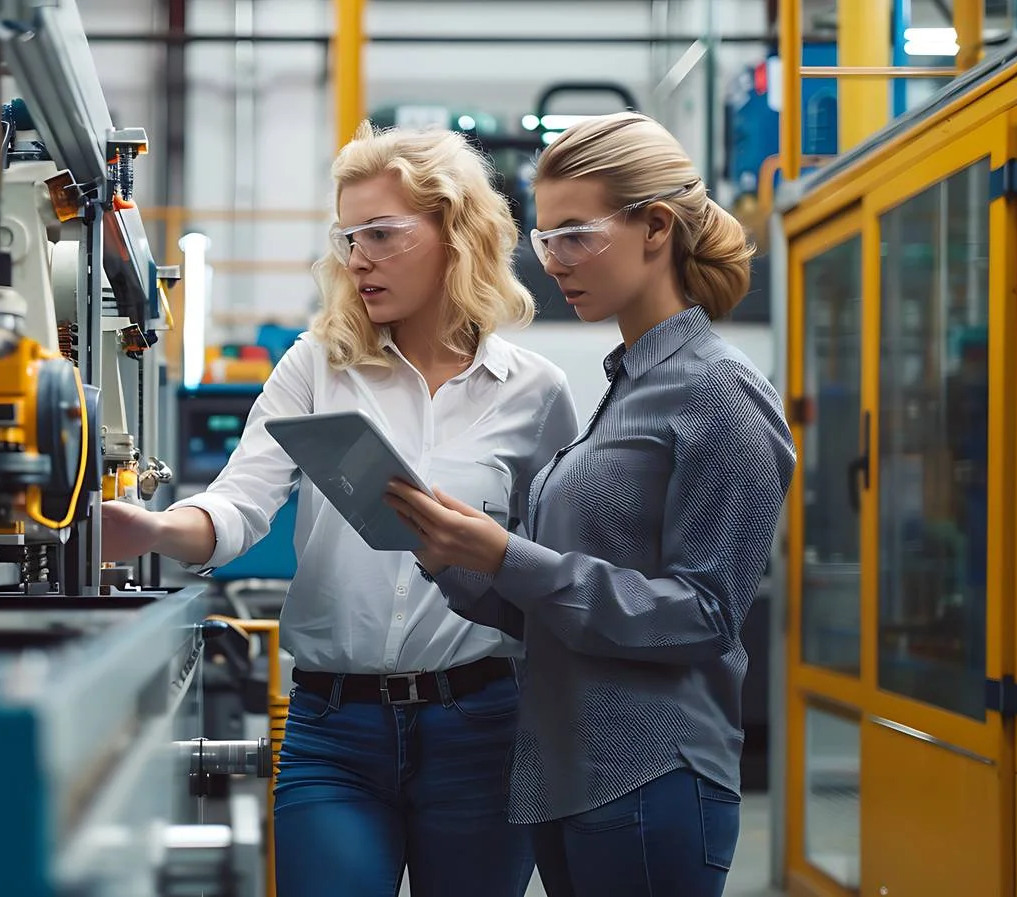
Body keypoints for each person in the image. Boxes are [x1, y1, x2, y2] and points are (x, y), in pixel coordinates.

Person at [102, 121, 579, 897]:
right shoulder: (317, 365)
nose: (358, 258)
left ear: (455, 233)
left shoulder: (534, 393)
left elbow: (550, 573)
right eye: (347, 237)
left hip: (483, 725)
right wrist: (154, 529)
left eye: (382, 234)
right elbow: (240, 503)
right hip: (334, 726)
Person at [386, 111, 796, 897]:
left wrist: (507, 553)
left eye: (575, 235)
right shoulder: (625, 387)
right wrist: (446, 554)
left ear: (656, 227)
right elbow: (556, 608)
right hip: (568, 775)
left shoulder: (718, 391)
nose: (555, 262)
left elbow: (704, 613)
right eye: (544, 241)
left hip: (651, 772)